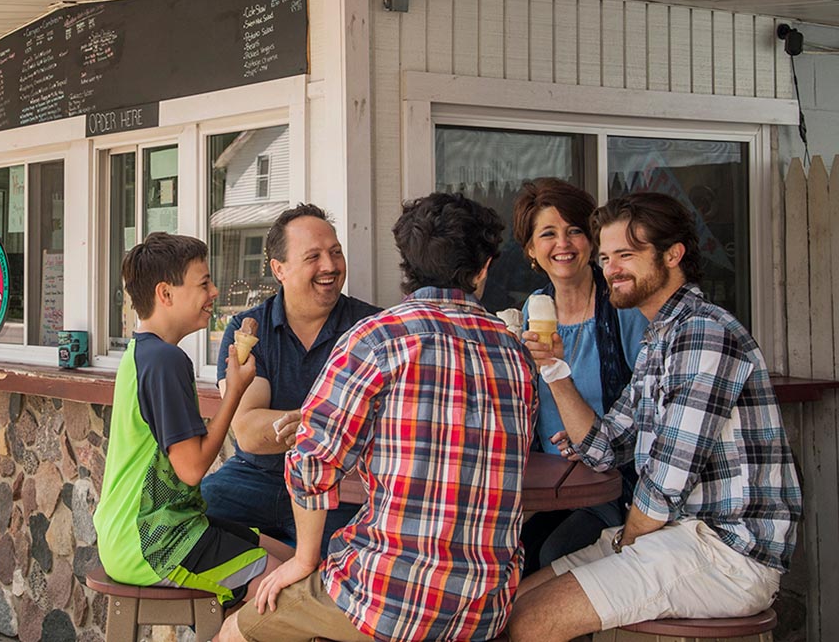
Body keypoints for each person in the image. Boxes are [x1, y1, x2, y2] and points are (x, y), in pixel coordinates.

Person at [219, 193, 536, 642]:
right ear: (484, 268)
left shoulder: (378, 337)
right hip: (484, 608)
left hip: (384, 599)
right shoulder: (517, 354)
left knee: (236, 629)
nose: (329, 265)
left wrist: (304, 561)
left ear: (405, 262)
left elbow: (310, 459)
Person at [508, 193, 802, 642]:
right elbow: (605, 447)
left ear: (672, 254)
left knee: (533, 622)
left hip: (725, 551)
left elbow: (666, 481)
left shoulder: (704, 332)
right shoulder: (660, 339)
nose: (611, 269)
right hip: (672, 537)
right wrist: (553, 368)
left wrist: (625, 543)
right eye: (606, 257)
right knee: (510, 607)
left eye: (627, 254)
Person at [93, 232, 289, 605]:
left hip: (155, 528)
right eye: (204, 283)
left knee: (292, 560)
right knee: (288, 589)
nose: (214, 291)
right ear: (165, 294)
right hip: (154, 543)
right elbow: (192, 468)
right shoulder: (165, 361)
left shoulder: (143, 352)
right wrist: (233, 392)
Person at [201, 203, 380, 554]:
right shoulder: (248, 329)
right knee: (186, 522)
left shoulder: (373, 329)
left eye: (335, 253)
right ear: (279, 269)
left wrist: (309, 426)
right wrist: (328, 426)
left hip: (340, 486)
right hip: (255, 480)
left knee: (354, 559)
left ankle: (287, 574)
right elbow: (250, 431)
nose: (329, 266)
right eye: (313, 256)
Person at [511, 178, 648, 574]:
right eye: (548, 234)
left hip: (612, 486)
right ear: (531, 250)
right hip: (546, 488)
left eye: (574, 230)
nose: (564, 244)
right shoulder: (532, 311)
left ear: (591, 240)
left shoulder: (623, 309)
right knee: (506, 558)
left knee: (555, 556)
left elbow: (651, 406)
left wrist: (593, 441)